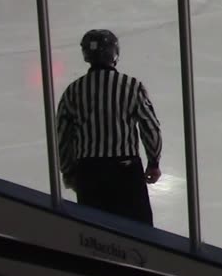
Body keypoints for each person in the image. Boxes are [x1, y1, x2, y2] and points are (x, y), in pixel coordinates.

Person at [56, 29, 163, 226]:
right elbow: (150, 127)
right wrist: (153, 162)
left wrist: (69, 171)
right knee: (139, 234)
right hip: (125, 170)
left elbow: (63, 135)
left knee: (95, 234)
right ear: (115, 53)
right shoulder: (131, 86)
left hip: (89, 172)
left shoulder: (73, 91)